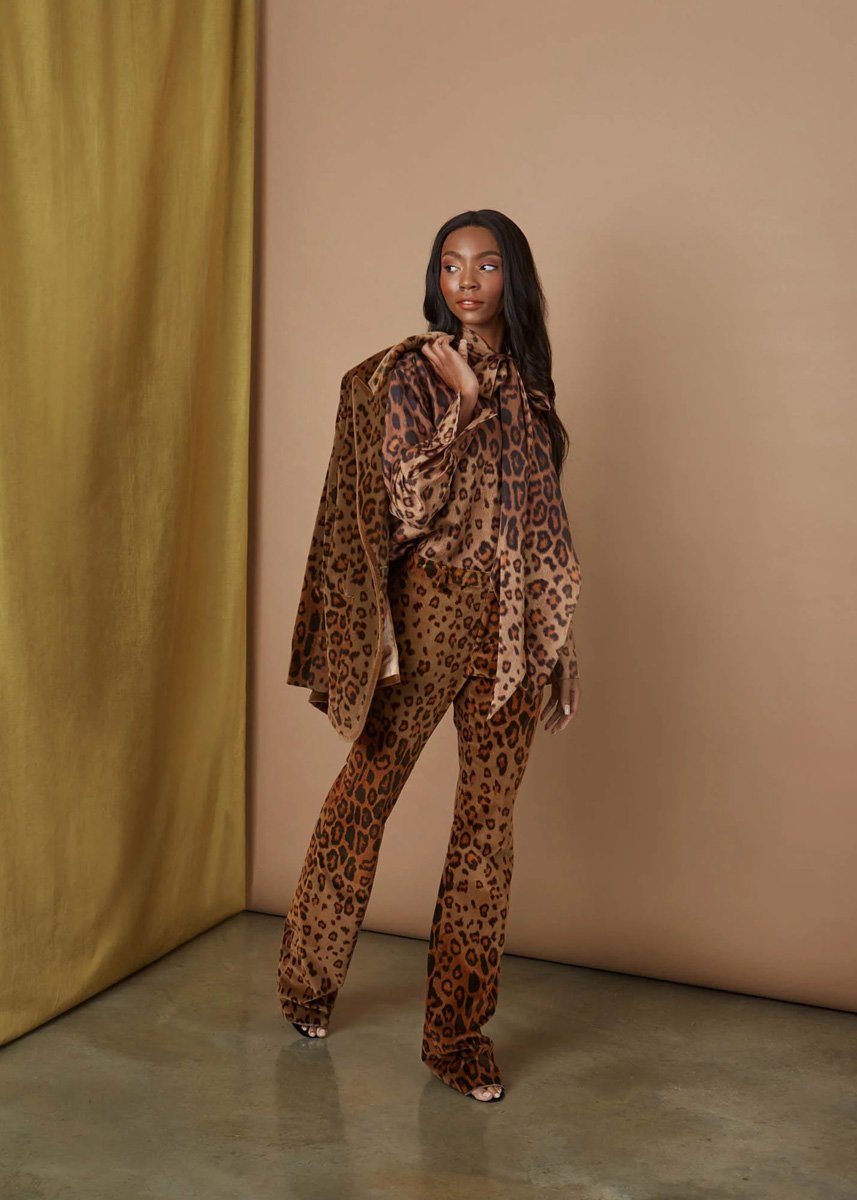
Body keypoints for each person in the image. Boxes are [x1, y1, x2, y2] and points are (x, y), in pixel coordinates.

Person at [277, 209, 582, 1103]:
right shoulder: (413, 370)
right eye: (450, 265)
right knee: (365, 793)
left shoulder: (531, 385)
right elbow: (409, 500)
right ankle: (306, 981)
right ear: (435, 278)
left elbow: (542, 523)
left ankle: (455, 1037)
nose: (466, 282)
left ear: (510, 280)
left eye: (485, 266)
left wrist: (558, 644)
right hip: (428, 613)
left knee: (487, 833)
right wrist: (463, 405)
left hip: (510, 627)